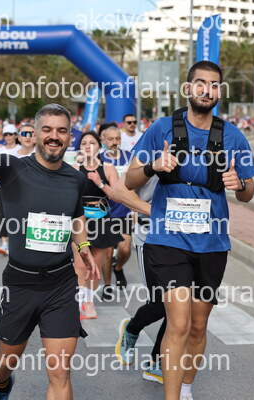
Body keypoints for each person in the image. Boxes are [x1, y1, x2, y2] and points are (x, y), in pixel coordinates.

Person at [125, 61, 254, 400]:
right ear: (188, 88)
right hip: (167, 240)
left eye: (213, 85)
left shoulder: (232, 136)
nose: (206, 90)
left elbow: (248, 192)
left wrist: (240, 184)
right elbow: (129, 180)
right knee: (179, 323)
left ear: (219, 91)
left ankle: (185, 388)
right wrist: (153, 166)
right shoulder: (161, 129)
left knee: (198, 326)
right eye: (200, 83)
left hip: (212, 243)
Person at [0, 88, 100, 400]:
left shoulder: (75, 179)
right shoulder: (13, 169)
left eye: (62, 131)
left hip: (61, 284)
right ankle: (2, 384)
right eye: (47, 130)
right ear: (36, 134)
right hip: (20, 283)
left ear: (70, 137)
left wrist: (83, 248)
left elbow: (76, 216)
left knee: (60, 372)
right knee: (6, 363)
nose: (54, 136)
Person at [113, 173, 166, 384]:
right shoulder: (150, 154)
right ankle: (132, 329)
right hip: (150, 235)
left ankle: (156, 362)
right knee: (160, 304)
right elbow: (120, 190)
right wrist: (154, 210)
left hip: (184, 237)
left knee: (180, 305)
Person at [73, 131, 122, 319]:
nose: (87, 146)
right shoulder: (74, 168)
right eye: (84, 143)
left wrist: (100, 183)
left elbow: (116, 196)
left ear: (99, 146)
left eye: (91, 143)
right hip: (80, 220)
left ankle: (89, 301)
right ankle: (78, 303)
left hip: (101, 219)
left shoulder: (108, 168)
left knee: (95, 265)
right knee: (80, 264)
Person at [100, 124, 134, 295]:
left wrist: (135, 208)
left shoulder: (129, 157)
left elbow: (135, 183)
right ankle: (107, 286)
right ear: (104, 140)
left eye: (117, 139)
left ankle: (118, 267)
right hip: (105, 212)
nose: (114, 142)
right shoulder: (99, 159)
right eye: (111, 139)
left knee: (125, 249)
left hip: (124, 211)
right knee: (107, 253)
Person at [0, 124, 21, 256]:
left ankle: (17, 242)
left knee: (18, 214)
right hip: (1, 187)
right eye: (6, 134)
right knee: (3, 214)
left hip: (18, 187)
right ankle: (4, 242)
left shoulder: (21, 150)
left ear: (15, 135)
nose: (8, 137)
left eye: (11, 134)